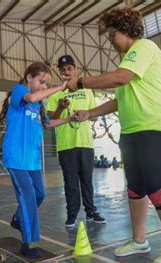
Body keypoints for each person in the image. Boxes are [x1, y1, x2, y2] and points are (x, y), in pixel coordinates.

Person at [68, 8, 161, 263]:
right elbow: (118, 101)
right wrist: (89, 113)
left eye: (112, 34)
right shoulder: (128, 63)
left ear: (126, 30)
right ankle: (139, 240)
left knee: (156, 183)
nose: (110, 40)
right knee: (136, 188)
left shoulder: (144, 47)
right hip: (132, 130)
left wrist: (81, 83)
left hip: (157, 126)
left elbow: (119, 78)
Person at [0, 62, 72, 258]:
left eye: (46, 84)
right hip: (16, 158)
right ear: (29, 77)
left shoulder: (38, 105)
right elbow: (31, 96)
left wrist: (69, 119)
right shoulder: (19, 91)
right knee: (29, 197)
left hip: (32, 160)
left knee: (40, 194)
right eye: (42, 82)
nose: (44, 87)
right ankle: (29, 242)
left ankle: (17, 219)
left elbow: (48, 124)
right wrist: (60, 87)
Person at [47, 55, 105, 227]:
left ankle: (90, 211)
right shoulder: (55, 93)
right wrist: (60, 107)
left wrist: (85, 114)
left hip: (86, 143)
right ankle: (72, 213)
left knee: (87, 180)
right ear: (59, 72)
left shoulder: (87, 90)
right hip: (66, 144)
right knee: (70, 182)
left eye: (69, 68)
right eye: (63, 69)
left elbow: (94, 116)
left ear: (76, 69)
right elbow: (50, 119)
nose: (66, 72)